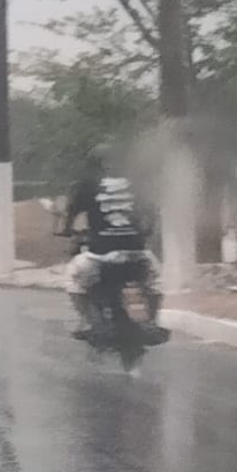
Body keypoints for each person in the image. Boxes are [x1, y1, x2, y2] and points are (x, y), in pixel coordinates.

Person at [63, 144, 162, 335]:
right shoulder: (136, 183)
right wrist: (147, 231)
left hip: (101, 254)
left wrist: (67, 231)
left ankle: (86, 321)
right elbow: (152, 211)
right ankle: (152, 321)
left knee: (72, 280)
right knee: (156, 282)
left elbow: (70, 214)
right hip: (137, 251)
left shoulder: (86, 185)